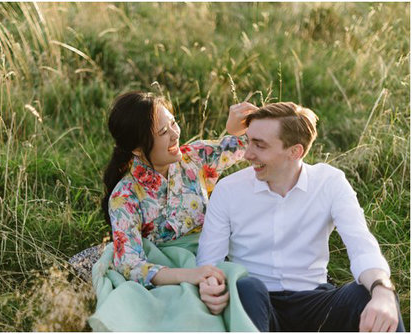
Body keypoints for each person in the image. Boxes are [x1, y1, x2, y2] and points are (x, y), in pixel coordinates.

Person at [196, 102, 403, 332]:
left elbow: (361, 245)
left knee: (371, 294)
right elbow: (209, 261)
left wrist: (383, 290)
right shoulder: (228, 190)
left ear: (295, 151)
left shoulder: (329, 182)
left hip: (315, 302)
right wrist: (210, 283)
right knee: (247, 287)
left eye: (259, 145)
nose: (247, 154)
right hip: (255, 303)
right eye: (248, 141)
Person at [81, 91, 258, 331]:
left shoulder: (193, 157)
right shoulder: (125, 196)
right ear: (136, 149)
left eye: (173, 122)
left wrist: (237, 128)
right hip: (167, 268)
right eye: (163, 132)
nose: (175, 134)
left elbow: (251, 145)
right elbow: (131, 264)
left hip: (211, 252)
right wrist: (191, 276)